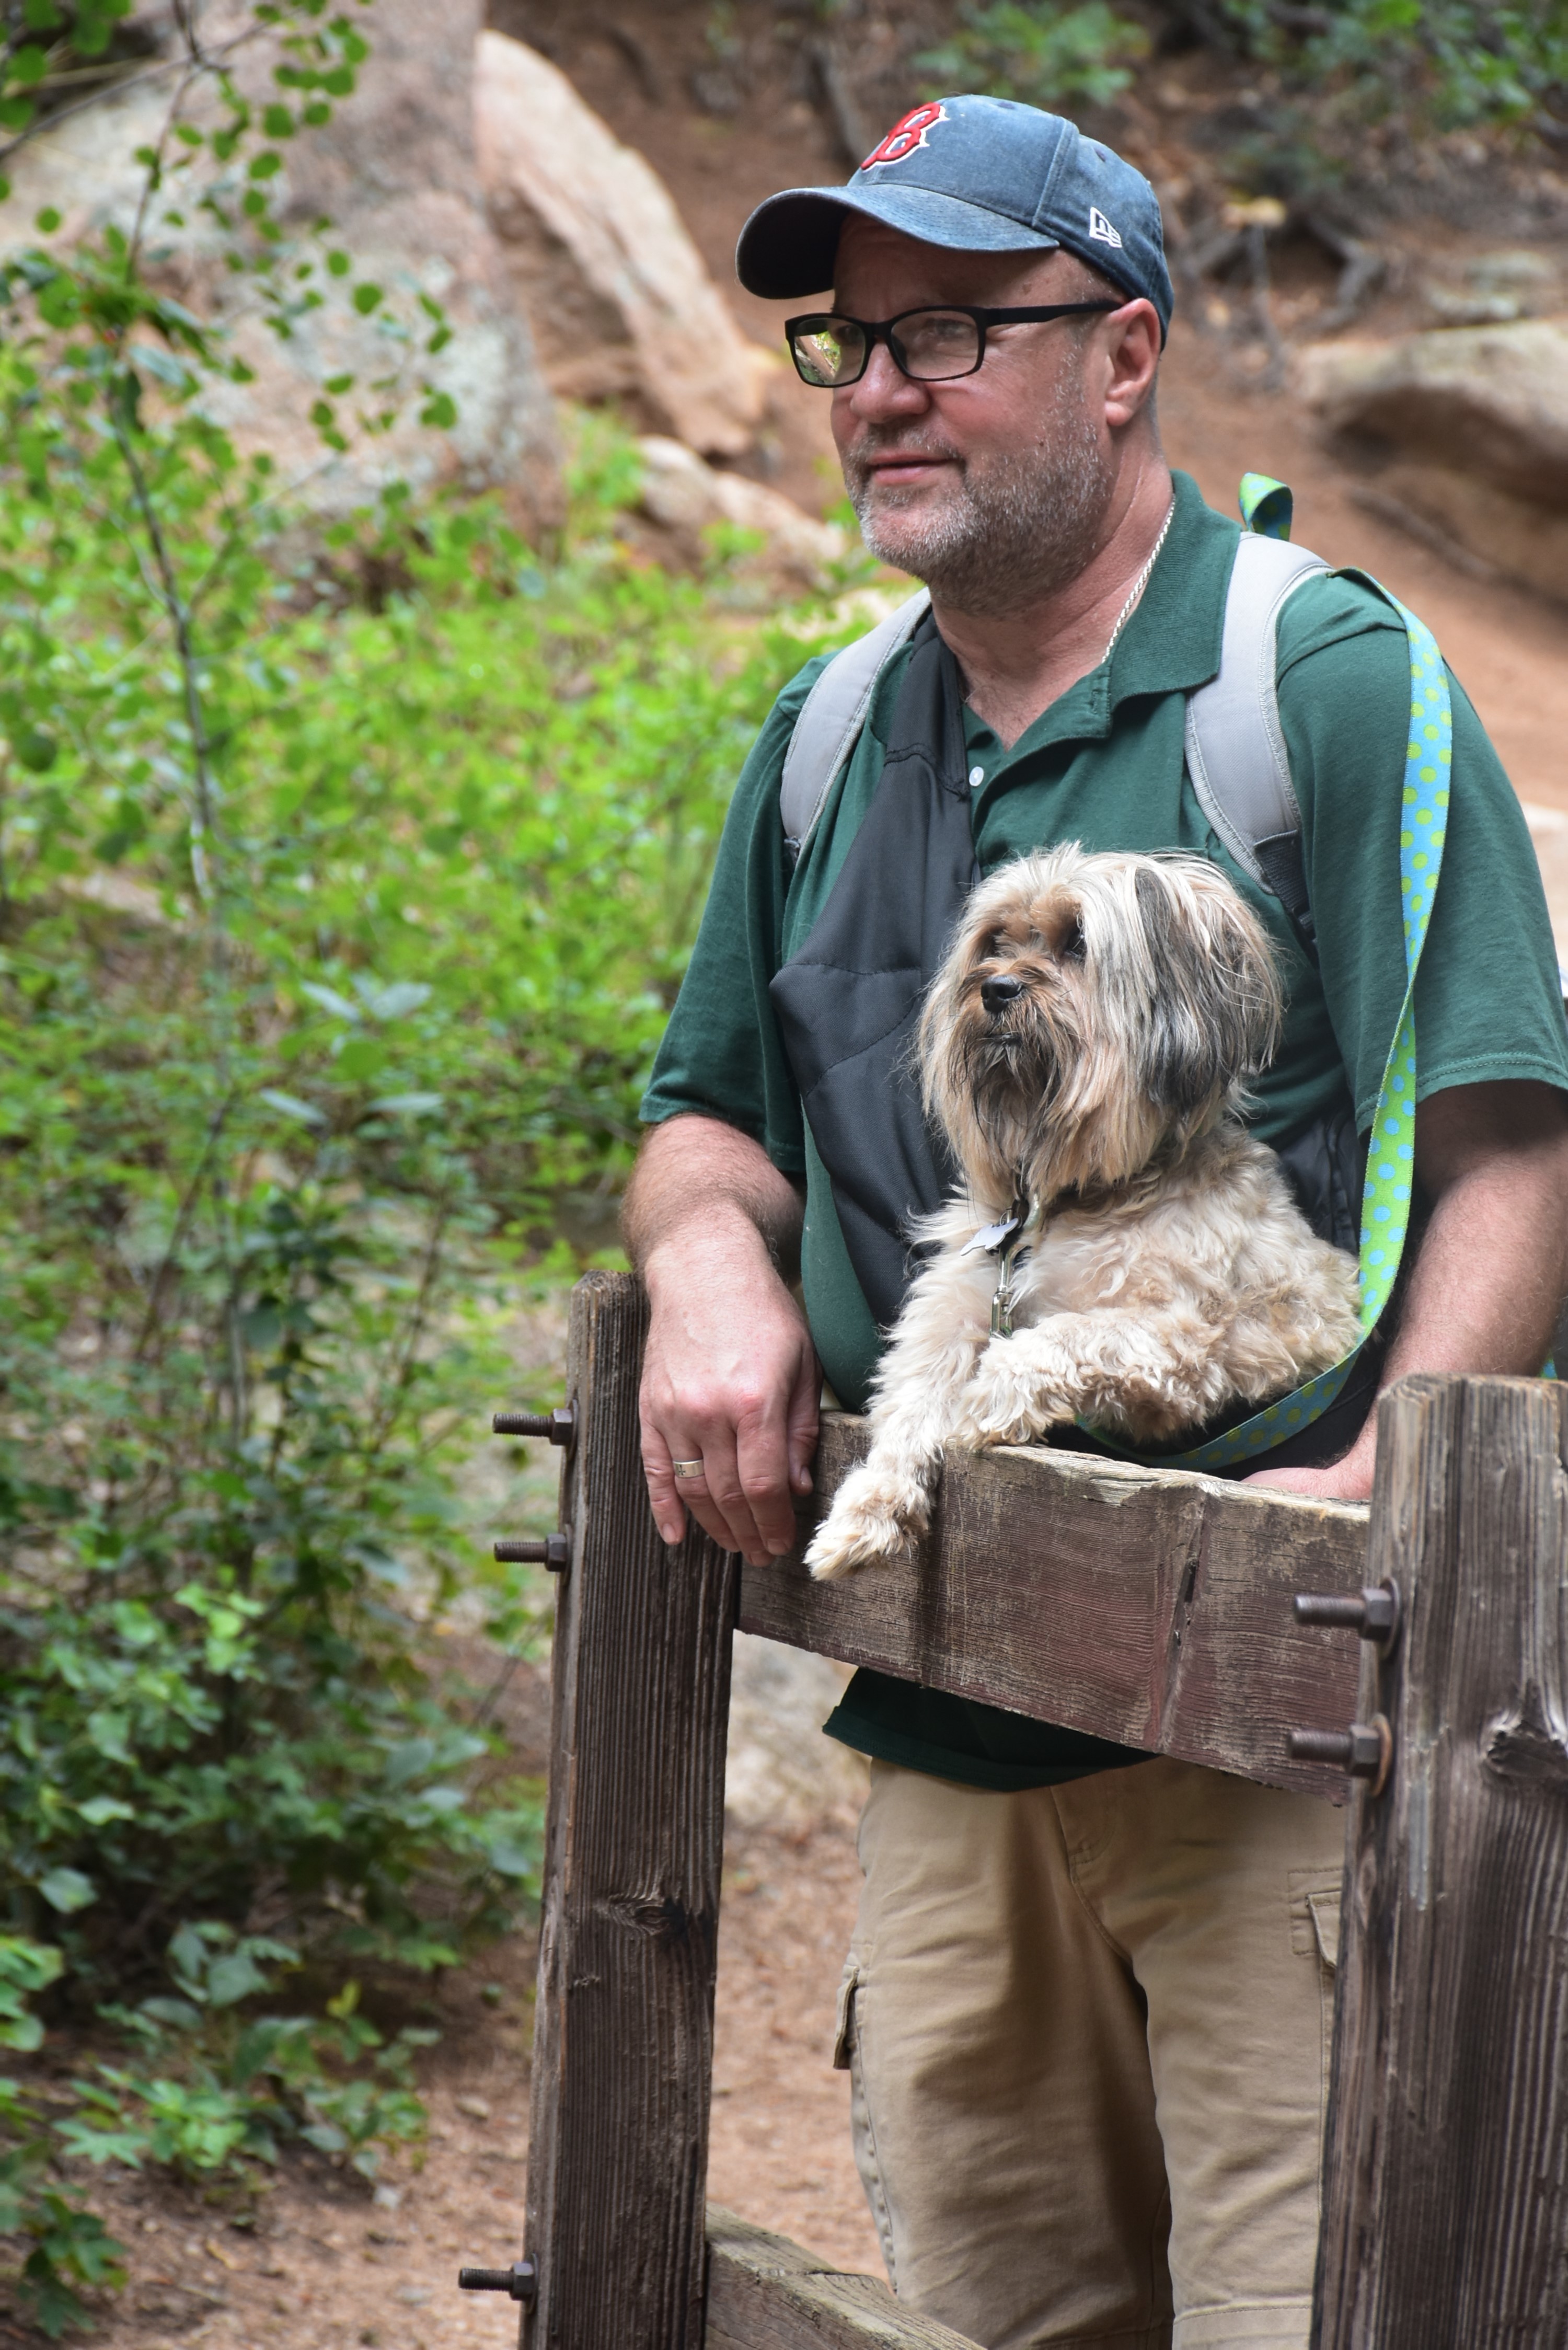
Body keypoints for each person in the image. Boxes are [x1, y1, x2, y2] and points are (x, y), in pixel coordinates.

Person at [624, 93, 1568, 2350]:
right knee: (991, 2311)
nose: (877, 394)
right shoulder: (831, 735)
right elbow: (698, 1120)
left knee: (1311, 2303)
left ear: (1124, 352)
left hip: (1272, 1735)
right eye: (844, 347)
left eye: (946, 329)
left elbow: (1515, 1145)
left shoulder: (1316, 684)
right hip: (948, 1709)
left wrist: (1367, 1494)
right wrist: (708, 1269)